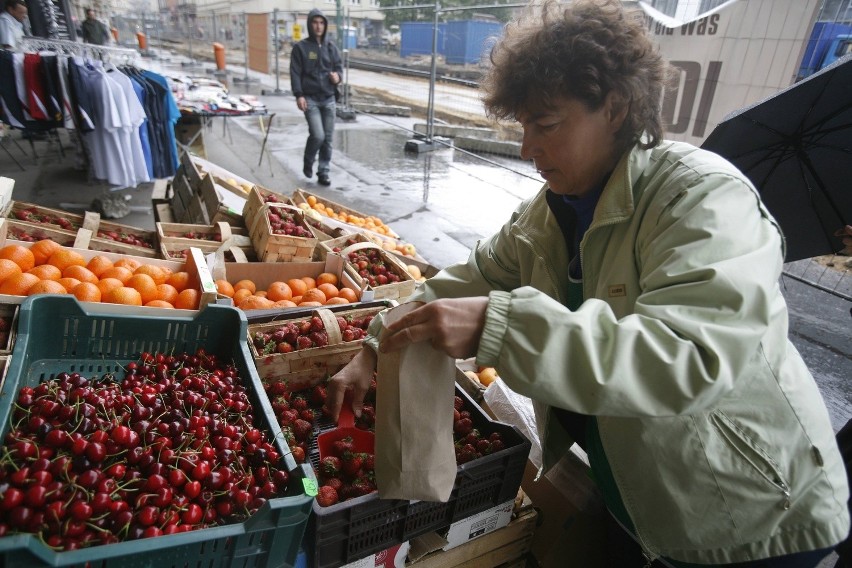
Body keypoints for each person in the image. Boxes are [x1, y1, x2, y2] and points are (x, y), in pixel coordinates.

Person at [325, 1, 850, 566]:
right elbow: (463, 282)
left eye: (546, 125)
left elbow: (691, 356)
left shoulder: (700, 197)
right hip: (641, 501)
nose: (528, 147)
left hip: (756, 520)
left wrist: (499, 324)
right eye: (523, 127)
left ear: (616, 107)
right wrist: (374, 345)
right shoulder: (547, 215)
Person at [289, 8, 342, 187]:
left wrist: (338, 77)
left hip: (328, 98)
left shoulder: (331, 48)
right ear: (310, 24)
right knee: (318, 135)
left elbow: (339, 68)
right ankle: (308, 159)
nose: (318, 26)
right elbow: (295, 73)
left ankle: (323, 171)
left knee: (327, 138)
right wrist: (299, 95)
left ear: (325, 25)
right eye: (315, 22)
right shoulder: (301, 48)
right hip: (310, 98)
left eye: (321, 23)